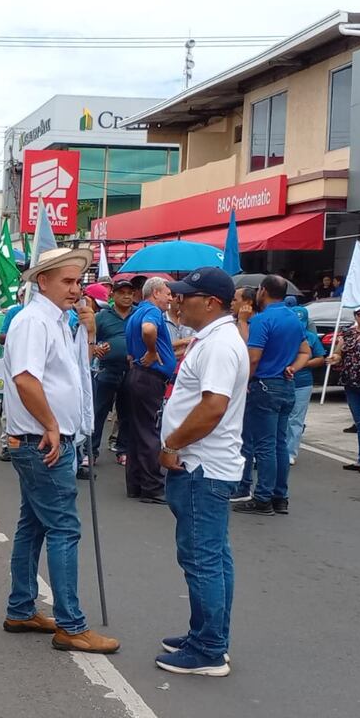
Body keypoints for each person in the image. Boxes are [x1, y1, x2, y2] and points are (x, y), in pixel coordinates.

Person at [1, 247, 118, 654]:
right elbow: (26, 380)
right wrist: (52, 425)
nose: (75, 289)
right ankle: (71, 624)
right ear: (42, 281)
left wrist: (86, 333)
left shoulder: (57, 321)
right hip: (42, 440)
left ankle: (21, 607)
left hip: (47, 439)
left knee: (33, 526)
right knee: (64, 529)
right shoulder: (34, 321)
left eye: (77, 281)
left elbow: (71, 375)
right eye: (67, 281)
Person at [154, 267, 248, 676]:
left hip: (201, 464)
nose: (177, 300)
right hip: (206, 463)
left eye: (185, 295)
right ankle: (207, 636)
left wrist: (173, 444)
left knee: (202, 557)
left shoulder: (219, 344)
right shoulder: (214, 339)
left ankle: (209, 648)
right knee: (213, 555)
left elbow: (212, 407)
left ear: (210, 302)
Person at [234, 275, 309, 517]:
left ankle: (263, 497)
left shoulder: (263, 320)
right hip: (286, 384)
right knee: (279, 444)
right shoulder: (293, 317)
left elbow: (253, 356)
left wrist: (245, 381)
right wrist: (294, 367)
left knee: (264, 445)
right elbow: (305, 351)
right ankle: (280, 496)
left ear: (263, 291)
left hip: (265, 383)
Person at [123, 276, 176, 504]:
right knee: (149, 432)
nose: (170, 299)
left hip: (137, 376)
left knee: (136, 432)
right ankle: (152, 486)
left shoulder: (135, 313)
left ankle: (136, 483)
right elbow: (148, 330)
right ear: (155, 293)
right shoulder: (152, 313)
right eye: (167, 293)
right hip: (149, 377)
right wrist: (153, 351)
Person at [325, 306, 360, 476]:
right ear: (355, 316)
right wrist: (335, 358)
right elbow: (339, 352)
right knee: (359, 422)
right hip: (351, 381)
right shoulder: (348, 333)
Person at [88, 276, 134, 470]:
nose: (126, 297)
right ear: (113, 295)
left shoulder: (139, 314)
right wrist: (96, 347)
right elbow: (88, 336)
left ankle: (123, 449)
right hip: (107, 369)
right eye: (122, 293)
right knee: (98, 411)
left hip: (131, 370)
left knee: (127, 411)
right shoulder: (102, 316)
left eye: (130, 293)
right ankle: (91, 452)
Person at [286, 306, 326, 465]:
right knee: (283, 418)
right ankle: (279, 449)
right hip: (283, 381)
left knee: (296, 419)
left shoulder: (311, 337)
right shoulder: (284, 335)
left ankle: (290, 452)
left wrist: (304, 363)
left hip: (303, 384)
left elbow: (320, 358)